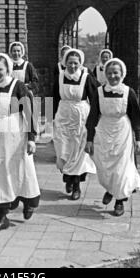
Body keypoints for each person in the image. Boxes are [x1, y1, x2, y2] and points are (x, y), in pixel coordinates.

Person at [0, 52, 40, 233]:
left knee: (19, 171)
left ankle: (28, 202)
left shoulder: (17, 86)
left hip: (15, 138)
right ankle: (2, 217)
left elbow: (29, 113)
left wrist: (31, 138)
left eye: (0, 70)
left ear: (8, 70)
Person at [85, 58, 140, 217]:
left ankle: (120, 201)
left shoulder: (128, 92)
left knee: (122, 168)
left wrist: (138, 139)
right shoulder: (99, 92)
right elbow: (93, 116)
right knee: (105, 166)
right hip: (104, 131)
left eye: (116, 73)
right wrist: (89, 139)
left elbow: (136, 117)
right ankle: (110, 189)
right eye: (109, 73)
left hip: (122, 132)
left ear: (122, 73)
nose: (112, 76)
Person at [53, 48, 98, 200]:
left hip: (81, 119)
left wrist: (94, 120)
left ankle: (76, 185)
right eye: (69, 63)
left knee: (79, 153)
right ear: (65, 63)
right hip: (63, 117)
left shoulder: (86, 78)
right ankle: (68, 178)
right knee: (64, 150)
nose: (72, 66)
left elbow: (96, 97)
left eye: (75, 63)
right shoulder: (59, 77)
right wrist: (48, 120)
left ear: (80, 64)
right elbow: (52, 98)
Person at [53, 45, 72, 117]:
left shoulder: (74, 66)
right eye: (64, 54)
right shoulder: (58, 66)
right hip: (61, 91)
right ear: (61, 55)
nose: (65, 56)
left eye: (67, 54)